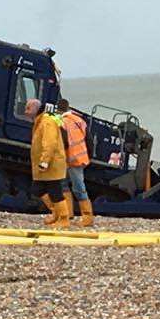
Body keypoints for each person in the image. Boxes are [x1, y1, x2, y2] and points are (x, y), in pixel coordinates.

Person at [24, 98, 69, 229]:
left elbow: (50, 143)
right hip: (45, 164)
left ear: (36, 109)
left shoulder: (47, 122)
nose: (26, 111)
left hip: (51, 164)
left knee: (55, 191)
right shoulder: (40, 121)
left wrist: (44, 161)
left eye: (28, 108)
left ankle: (64, 218)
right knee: (37, 189)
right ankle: (55, 212)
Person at [56, 99, 94, 227]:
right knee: (78, 187)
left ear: (58, 110)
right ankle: (85, 216)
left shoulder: (62, 122)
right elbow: (89, 140)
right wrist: (90, 156)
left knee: (67, 186)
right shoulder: (80, 120)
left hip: (69, 159)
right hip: (80, 157)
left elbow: (64, 142)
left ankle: (73, 214)